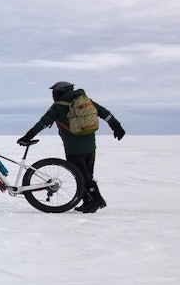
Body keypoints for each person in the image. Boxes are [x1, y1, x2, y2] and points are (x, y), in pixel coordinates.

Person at [19, 81, 125, 213]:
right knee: (87, 174)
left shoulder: (58, 107)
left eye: (55, 93)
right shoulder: (85, 101)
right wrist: (116, 126)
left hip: (74, 147)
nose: (53, 95)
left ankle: (97, 199)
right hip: (90, 144)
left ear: (60, 92)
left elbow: (43, 123)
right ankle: (88, 201)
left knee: (81, 175)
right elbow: (104, 113)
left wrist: (28, 136)